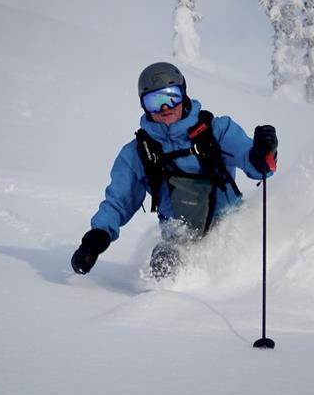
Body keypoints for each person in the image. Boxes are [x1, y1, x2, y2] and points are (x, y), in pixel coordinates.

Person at [70, 61, 278, 279]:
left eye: (171, 96)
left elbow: (258, 167)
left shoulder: (216, 131)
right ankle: (170, 309)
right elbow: (118, 202)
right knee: (163, 266)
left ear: (183, 94)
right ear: (143, 105)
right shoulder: (139, 153)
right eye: (154, 101)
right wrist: (95, 240)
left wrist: (263, 152)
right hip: (179, 239)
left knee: (241, 271)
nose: (165, 107)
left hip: (230, 229)